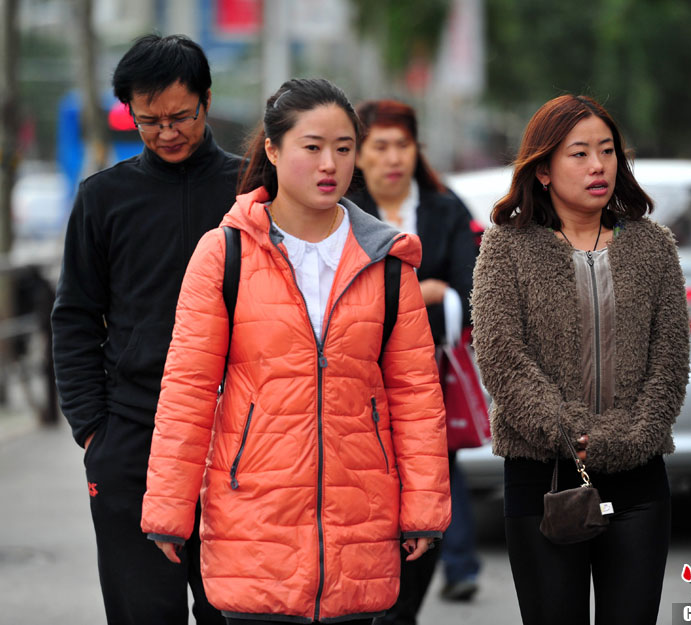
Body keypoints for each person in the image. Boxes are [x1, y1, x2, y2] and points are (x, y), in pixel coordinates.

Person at [140, 78, 451, 625]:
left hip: (359, 526)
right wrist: (168, 510)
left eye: (344, 148)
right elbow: (187, 390)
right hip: (254, 525)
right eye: (312, 147)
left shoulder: (387, 261)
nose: (330, 164)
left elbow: (416, 395)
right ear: (273, 149)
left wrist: (424, 509)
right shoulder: (223, 253)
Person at [470, 94, 690, 624]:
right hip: (542, 477)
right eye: (579, 153)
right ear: (542, 169)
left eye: (608, 151)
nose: (598, 166)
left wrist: (630, 438)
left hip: (638, 477)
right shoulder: (506, 248)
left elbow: (670, 361)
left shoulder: (653, 248)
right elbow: (502, 359)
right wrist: (570, 431)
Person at [51, 34, 241, 625]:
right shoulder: (103, 199)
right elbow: (75, 317)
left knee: (235, 612)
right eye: (148, 120)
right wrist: (93, 432)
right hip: (133, 437)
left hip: (238, 437)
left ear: (206, 102)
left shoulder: (252, 192)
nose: (166, 132)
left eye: (180, 116)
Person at [349, 99, 482, 621]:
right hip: (358, 383)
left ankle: (425, 592)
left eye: (402, 145)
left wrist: (437, 295)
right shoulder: (341, 211)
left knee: (434, 483)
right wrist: (418, 291)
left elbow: (471, 290)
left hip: (430, 381)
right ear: (358, 155)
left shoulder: (446, 210)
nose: (392, 158)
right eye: (379, 146)